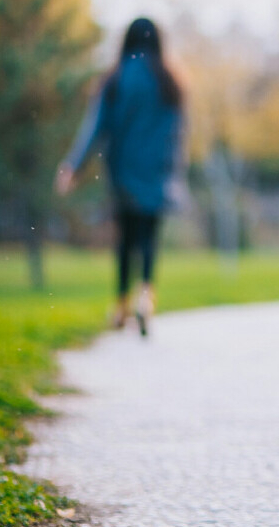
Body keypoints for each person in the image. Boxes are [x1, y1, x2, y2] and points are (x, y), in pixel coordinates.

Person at [55, 18, 185, 336]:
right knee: (149, 236)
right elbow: (176, 133)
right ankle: (146, 297)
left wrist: (73, 166)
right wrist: (174, 171)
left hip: (124, 172)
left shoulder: (115, 80)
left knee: (125, 239)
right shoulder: (170, 82)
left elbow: (95, 127)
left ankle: (121, 306)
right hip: (156, 173)